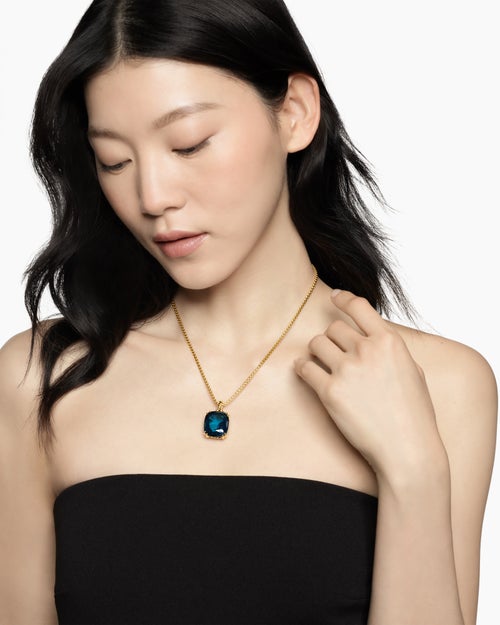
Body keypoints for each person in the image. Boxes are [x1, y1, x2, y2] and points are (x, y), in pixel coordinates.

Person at [0, 0, 497, 624]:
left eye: (189, 144)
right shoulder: (40, 377)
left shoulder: (441, 385)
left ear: (294, 113)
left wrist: (413, 468)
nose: (153, 196)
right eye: (115, 161)